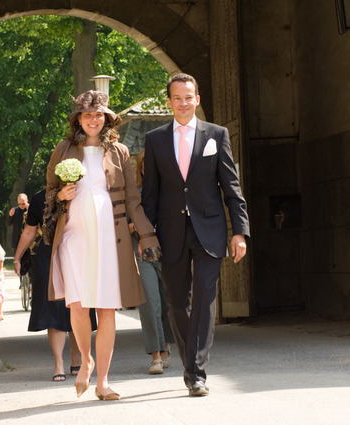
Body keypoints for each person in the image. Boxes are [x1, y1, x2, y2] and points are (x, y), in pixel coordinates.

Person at [46, 90, 160, 401]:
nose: (93, 119)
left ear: (107, 119)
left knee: (107, 309)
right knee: (78, 305)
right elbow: (49, 192)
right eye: (87, 114)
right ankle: (86, 361)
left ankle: (104, 382)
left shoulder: (119, 151)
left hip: (111, 238)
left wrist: (147, 236)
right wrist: (60, 195)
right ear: (78, 120)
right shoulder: (63, 149)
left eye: (99, 115)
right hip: (73, 238)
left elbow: (133, 199)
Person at [142, 73, 250, 397]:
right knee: (177, 302)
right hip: (170, 232)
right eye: (177, 98)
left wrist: (240, 232)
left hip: (210, 231)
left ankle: (196, 373)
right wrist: (146, 237)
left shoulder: (217, 135)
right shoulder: (155, 140)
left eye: (188, 97)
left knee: (204, 299)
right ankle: (193, 364)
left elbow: (231, 188)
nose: (183, 103)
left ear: (197, 99)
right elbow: (150, 195)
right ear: (169, 102)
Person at [13, 189, 97, 381]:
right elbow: (29, 231)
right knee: (52, 307)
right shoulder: (39, 198)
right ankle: (58, 362)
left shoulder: (82, 193)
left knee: (77, 305)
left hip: (77, 251)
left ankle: (76, 355)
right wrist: (17, 258)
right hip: (47, 256)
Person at [130, 150, 174, 375]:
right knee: (150, 302)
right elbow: (123, 223)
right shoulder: (134, 195)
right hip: (143, 253)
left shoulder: (171, 190)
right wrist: (136, 227)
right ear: (141, 169)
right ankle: (156, 355)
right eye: (146, 165)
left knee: (166, 304)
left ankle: (165, 344)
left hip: (169, 253)